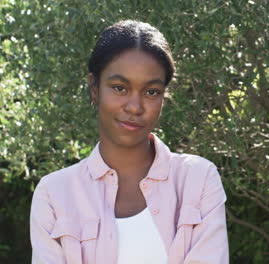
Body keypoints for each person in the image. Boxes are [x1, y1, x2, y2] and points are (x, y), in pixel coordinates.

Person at [30, 20, 229, 264]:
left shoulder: (198, 180)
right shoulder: (54, 194)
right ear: (94, 88)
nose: (135, 106)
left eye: (151, 91)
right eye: (119, 88)